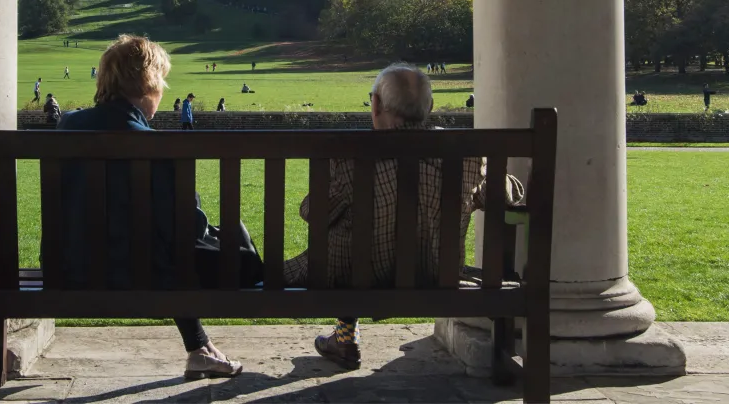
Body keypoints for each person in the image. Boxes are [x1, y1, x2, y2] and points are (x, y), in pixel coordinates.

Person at [283, 63, 523, 370]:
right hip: (436, 274)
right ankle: (344, 338)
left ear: (376, 105)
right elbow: (507, 196)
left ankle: (345, 335)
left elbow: (311, 214)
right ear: (431, 107)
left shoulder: (350, 157)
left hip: (359, 278)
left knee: (349, 248)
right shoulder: (467, 158)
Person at [56, 35, 244, 379]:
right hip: (138, 274)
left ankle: (200, 349)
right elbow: (187, 229)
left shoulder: (67, 125)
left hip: (68, 269)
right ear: (149, 85)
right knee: (179, 253)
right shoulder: (157, 145)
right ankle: (201, 349)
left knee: (153, 246)